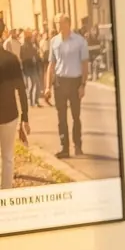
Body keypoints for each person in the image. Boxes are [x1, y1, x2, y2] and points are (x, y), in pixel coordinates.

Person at [44, 14, 89, 159]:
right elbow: (51, 65)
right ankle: (64, 147)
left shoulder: (79, 41)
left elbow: (84, 64)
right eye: (57, 23)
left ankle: (78, 145)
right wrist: (47, 87)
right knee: (61, 117)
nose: (59, 26)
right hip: (60, 82)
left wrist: (83, 85)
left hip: (75, 82)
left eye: (61, 23)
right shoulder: (54, 41)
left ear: (68, 24)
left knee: (76, 116)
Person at [0, 26, 27, 188]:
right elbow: (22, 89)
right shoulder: (11, 59)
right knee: (8, 157)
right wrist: (25, 116)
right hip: (10, 114)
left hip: (8, 114)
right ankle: (6, 192)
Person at [19, 27, 40, 109]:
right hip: (30, 67)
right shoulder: (28, 46)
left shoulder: (26, 46)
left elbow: (22, 57)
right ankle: (33, 101)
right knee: (34, 84)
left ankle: (33, 101)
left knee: (34, 84)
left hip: (29, 67)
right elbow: (31, 56)